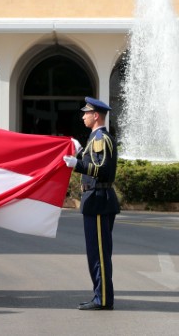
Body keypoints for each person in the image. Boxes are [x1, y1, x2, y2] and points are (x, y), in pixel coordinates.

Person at [63, 97, 120, 311]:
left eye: (86, 112)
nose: (83, 116)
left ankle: (103, 298)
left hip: (98, 200)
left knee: (99, 254)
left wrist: (76, 164)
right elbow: (94, 163)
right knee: (97, 253)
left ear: (96, 115)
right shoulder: (95, 138)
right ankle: (101, 295)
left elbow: (102, 170)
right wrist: (79, 155)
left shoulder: (99, 138)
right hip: (96, 199)